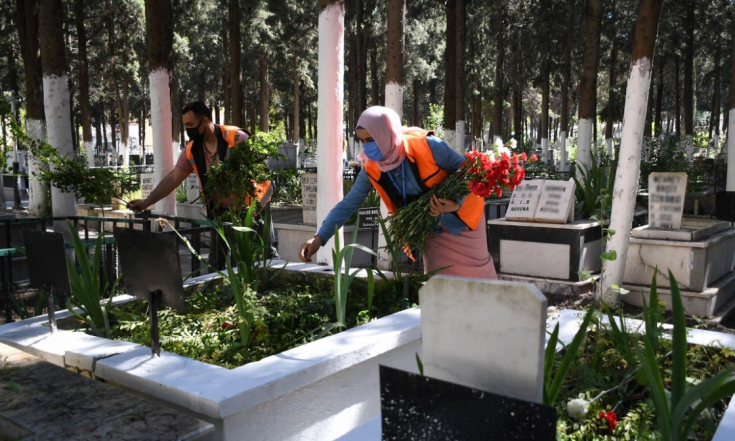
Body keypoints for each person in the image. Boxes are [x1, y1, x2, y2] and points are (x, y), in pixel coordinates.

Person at [299, 106, 497, 279]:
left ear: (387, 134)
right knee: (441, 284)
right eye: (363, 141)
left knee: (478, 278)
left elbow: (469, 173)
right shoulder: (371, 168)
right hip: (431, 231)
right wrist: (319, 238)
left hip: (462, 222)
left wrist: (456, 203)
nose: (367, 147)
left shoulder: (428, 146)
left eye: (371, 139)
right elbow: (348, 204)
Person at [128, 101, 278, 266]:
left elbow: (256, 170)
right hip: (220, 208)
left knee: (261, 253)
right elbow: (173, 178)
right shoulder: (192, 150)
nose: (188, 130)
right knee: (217, 256)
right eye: (185, 126)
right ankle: (218, 286)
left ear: (205, 121)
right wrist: (146, 202)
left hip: (254, 205)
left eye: (191, 125)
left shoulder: (236, 137)